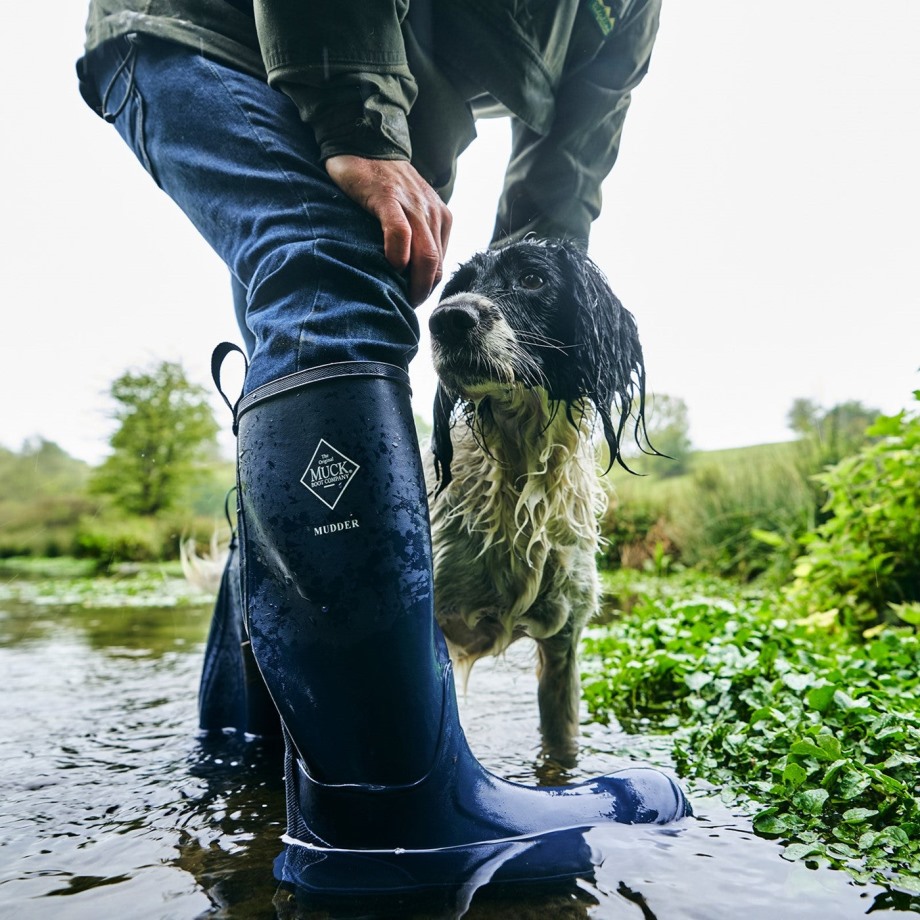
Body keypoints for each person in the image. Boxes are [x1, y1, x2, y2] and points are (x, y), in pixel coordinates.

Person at [77, 0, 688, 899]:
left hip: (376, 100)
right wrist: (357, 119)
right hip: (215, 33)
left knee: (326, 331)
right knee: (333, 288)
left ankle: (243, 753)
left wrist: (521, 317)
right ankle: (393, 807)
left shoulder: (628, 10)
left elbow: (561, 187)